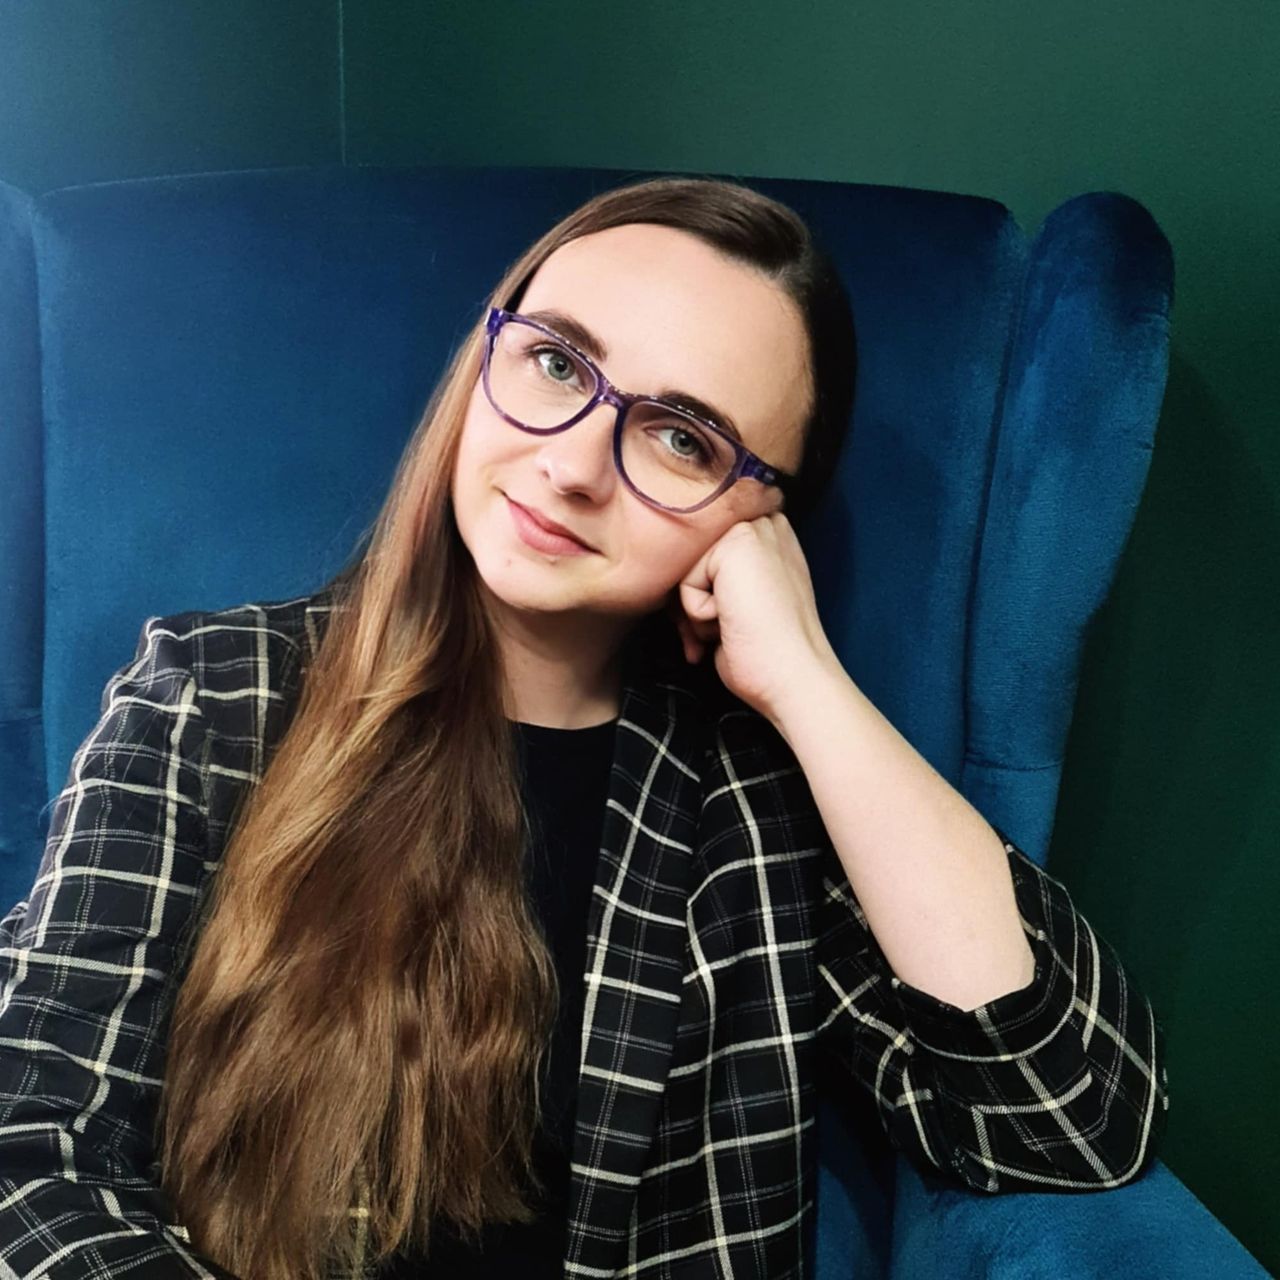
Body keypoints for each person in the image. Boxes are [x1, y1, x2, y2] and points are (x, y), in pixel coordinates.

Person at [0, 175, 1169, 1280]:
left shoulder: (755, 796)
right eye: (557, 362)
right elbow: (29, 1148)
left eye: (681, 438)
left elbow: (1064, 1116)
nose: (569, 466)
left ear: (758, 519)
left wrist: (809, 681)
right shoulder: (215, 695)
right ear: (485, 357)